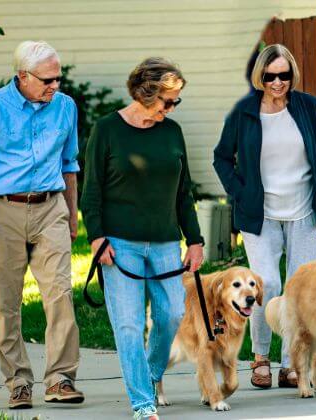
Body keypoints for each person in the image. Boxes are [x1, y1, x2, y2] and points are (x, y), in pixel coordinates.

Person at [0, 40, 84, 409]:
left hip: (50, 207)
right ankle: (18, 382)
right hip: (2, 210)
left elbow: (70, 164)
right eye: (47, 80)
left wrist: (71, 214)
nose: (55, 86)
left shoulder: (65, 108)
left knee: (60, 294)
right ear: (22, 76)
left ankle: (61, 379)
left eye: (58, 79)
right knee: (6, 302)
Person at [80, 57, 204, 420]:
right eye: (167, 100)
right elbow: (92, 193)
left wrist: (194, 240)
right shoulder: (106, 130)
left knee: (171, 315)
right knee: (129, 324)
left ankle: (149, 375)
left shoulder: (172, 132)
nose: (172, 107)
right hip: (120, 246)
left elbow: (184, 192)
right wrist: (96, 237)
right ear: (145, 94)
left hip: (165, 241)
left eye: (176, 101)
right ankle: (142, 402)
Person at [213, 44, 316, 389]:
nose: (277, 82)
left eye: (284, 75)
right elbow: (222, 158)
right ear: (260, 76)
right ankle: (260, 357)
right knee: (265, 283)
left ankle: (291, 363)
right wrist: (240, 192)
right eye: (270, 76)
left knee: (301, 290)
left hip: (303, 212)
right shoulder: (244, 112)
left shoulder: (308, 107)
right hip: (260, 215)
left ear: (292, 75)